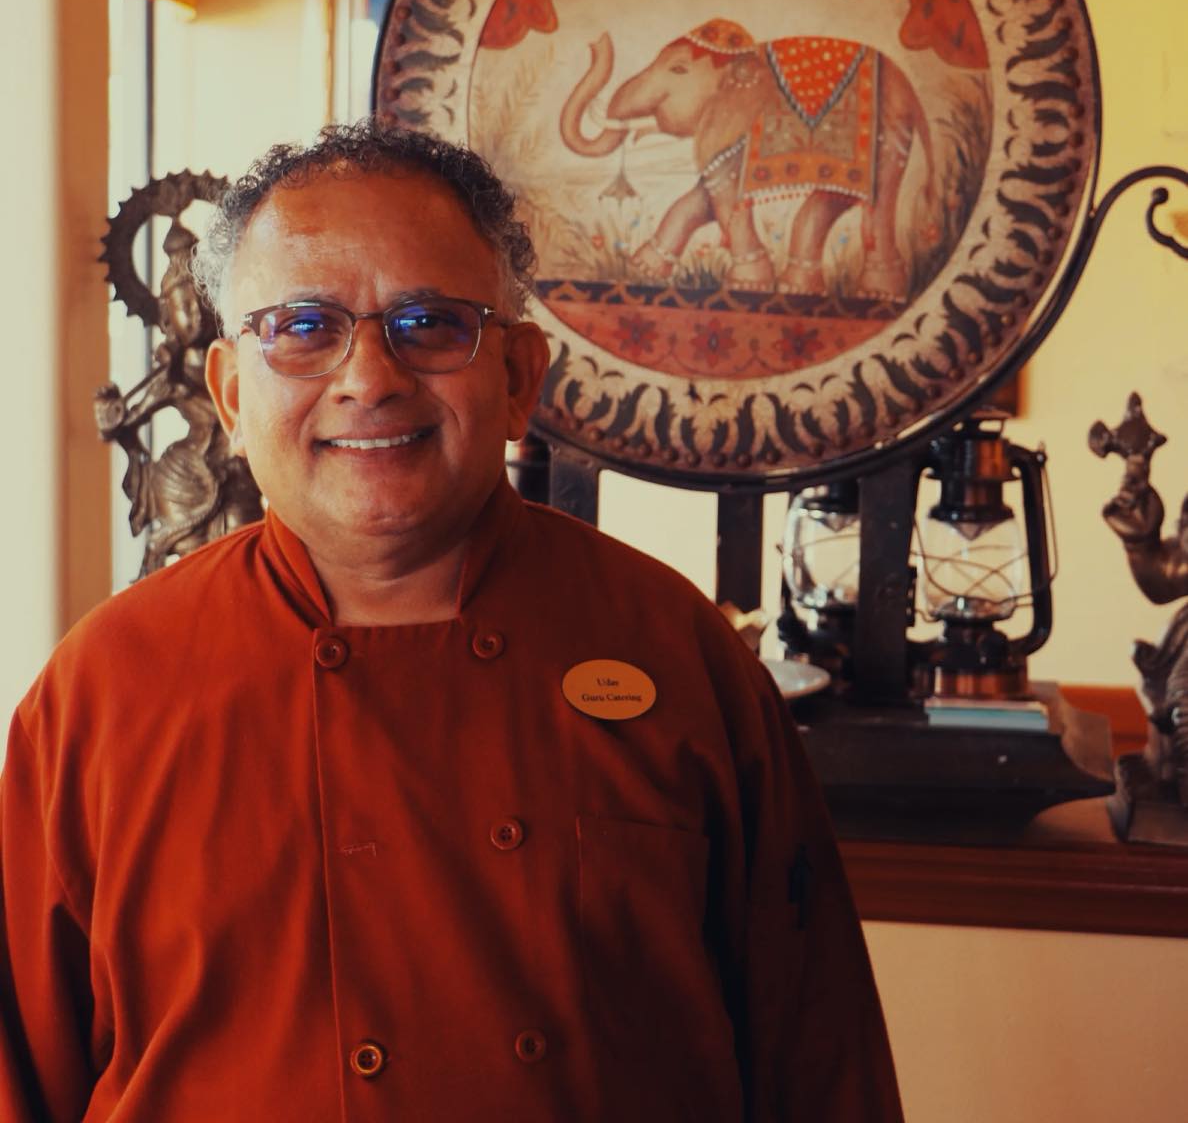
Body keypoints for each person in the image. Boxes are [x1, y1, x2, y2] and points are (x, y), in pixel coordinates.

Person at [0, 120, 903, 1121]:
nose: (370, 377)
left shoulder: (673, 648)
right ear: (227, 393)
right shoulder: (107, 688)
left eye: (430, 322)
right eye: (303, 327)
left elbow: (819, 1060)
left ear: (519, 376)